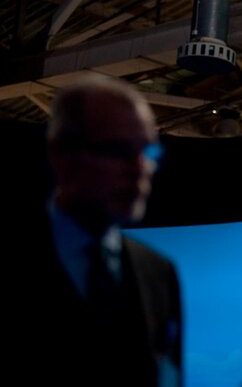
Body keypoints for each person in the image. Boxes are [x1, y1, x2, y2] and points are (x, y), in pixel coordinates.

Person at [6, 74, 182, 386]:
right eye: (118, 150)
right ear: (61, 154)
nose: (139, 169)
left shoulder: (158, 273)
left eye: (147, 152)